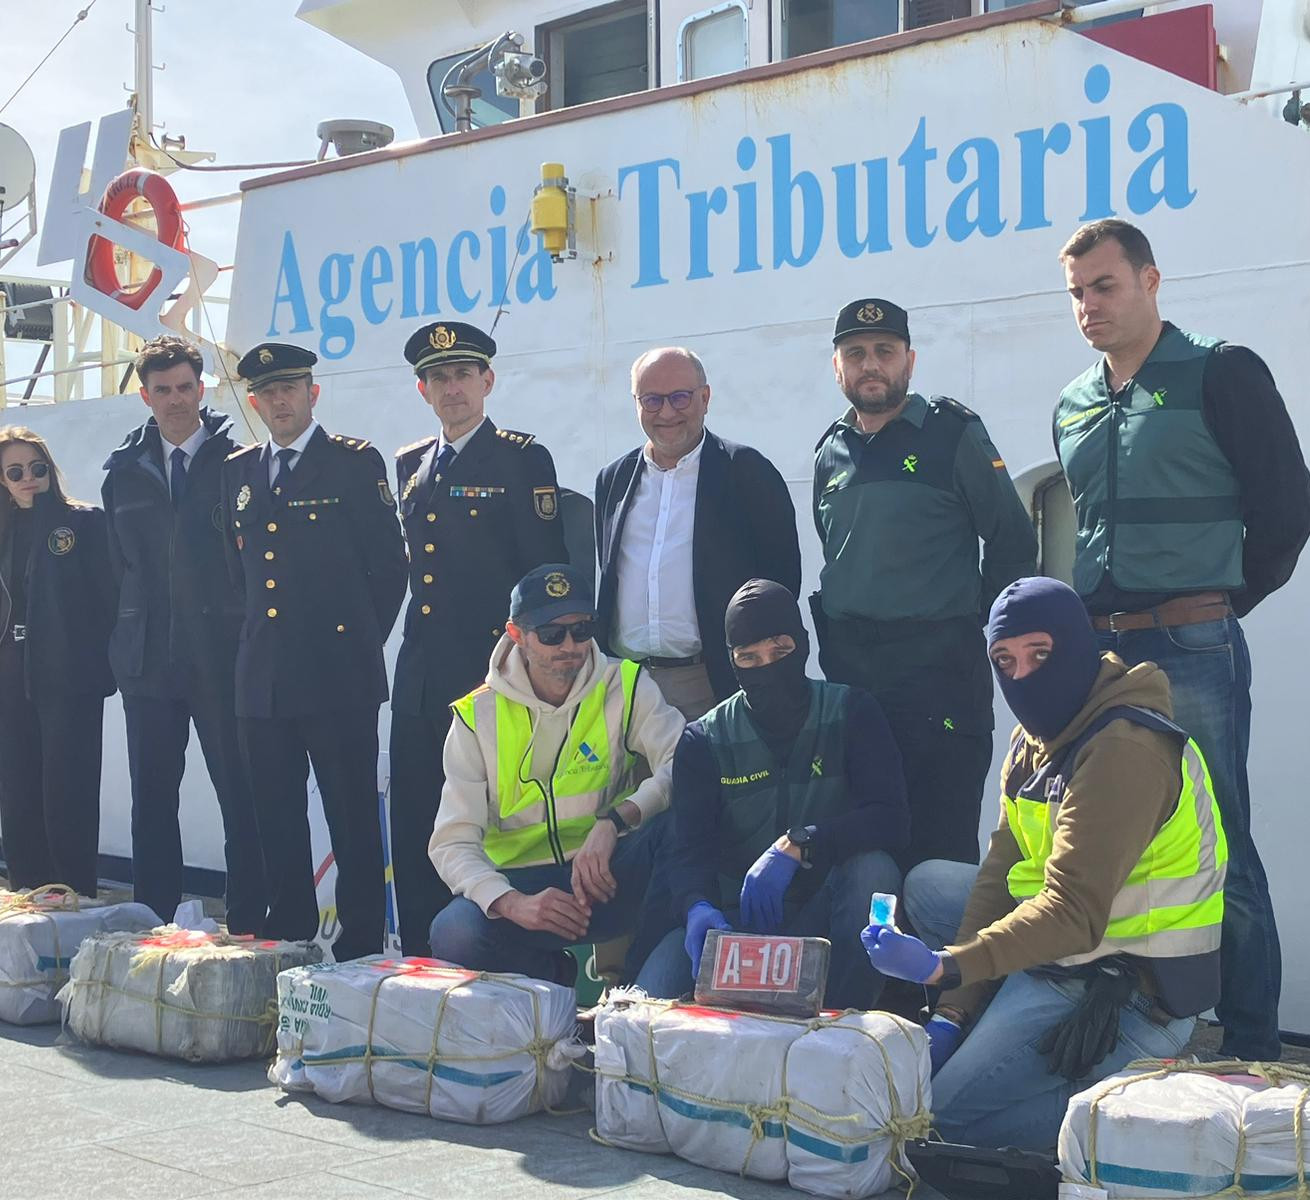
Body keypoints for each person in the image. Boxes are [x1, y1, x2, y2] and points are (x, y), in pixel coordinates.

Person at [1054, 218, 1310, 1062]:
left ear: (1150, 280)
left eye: (1106, 286)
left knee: (1220, 848)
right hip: (1103, 659)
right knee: (1111, 845)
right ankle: (1135, 1037)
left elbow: (1287, 510)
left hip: (1192, 647)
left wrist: (1219, 607)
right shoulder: (1075, 402)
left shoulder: (1221, 371)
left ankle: (1251, 1049)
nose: (1090, 305)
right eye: (1077, 293)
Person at [864, 577, 1226, 1152]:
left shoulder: (1125, 747)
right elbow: (997, 873)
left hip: (1127, 980)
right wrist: (951, 1016)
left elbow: (1073, 912)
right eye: (1004, 662)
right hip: (1061, 950)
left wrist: (944, 970)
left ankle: (1134, 1105)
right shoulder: (1034, 738)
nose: (1022, 676)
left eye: (1041, 654)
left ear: (1078, 647)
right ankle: (998, 1029)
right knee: (931, 884)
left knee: (932, 1126)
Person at [811, 298, 1038, 868]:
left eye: (884, 352)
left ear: (909, 361)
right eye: (855, 354)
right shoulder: (829, 452)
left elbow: (1012, 539)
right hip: (855, 685)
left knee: (938, 855)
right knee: (866, 849)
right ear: (836, 367)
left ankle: (943, 962)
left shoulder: (951, 433)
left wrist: (972, 623)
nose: (870, 365)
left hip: (938, 682)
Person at [637, 579, 907, 1010]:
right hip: (731, 925)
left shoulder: (851, 711)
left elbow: (891, 818)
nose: (767, 667)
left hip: (822, 916)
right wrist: (697, 907)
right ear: (732, 662)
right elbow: (686, 850)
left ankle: (843, 1017)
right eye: (749, 657)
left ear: (801, 645)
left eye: (780, 651)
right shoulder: (704, 740)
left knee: (873, 871)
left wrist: (803, 843)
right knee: (644, 1013)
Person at [222, 342, 406, 960]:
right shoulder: (240, 471)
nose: (280, 400)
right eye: (269, 392)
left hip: (338, 678)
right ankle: (291, 934)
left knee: (351, 818)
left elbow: (389, 570)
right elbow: (235, 574)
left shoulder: (352, 463)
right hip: (263, 678)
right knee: (275, 815)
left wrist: (354, 643)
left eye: (291, 388)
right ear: (255, 401)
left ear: (312, 393)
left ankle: (359, 943)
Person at [389, 320, 568, 957]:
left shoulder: (521, 459)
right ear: (423, 390)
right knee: (414, 825)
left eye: (463, 374)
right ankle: (416, 963)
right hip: (421, 677)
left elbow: (545, 576)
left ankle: (481, 965)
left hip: (487, 677)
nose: (452, 387)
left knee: (487, 831)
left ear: (487, 381)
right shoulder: (412, 463)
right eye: (439, 377)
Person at [427, 564, 686, 983]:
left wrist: (616, 821)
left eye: (582, 630)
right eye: (552, 634)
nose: (570, 645)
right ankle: (554, 983)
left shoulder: (625, 682)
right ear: (517, 635)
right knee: (453, 932)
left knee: (680, 831)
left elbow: (684, 764)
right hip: (524, 888)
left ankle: (634, 995)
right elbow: (451, 843)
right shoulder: (477, 715)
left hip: (605, 873)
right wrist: (512, 903)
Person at [101, 335, 265, 931]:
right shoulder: (123, 472)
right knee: (151, 803)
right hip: (148, 662)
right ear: (145, 396)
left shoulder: (241, 464)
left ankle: (249, 923)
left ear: (203, 388)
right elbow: (117, 571)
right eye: (162, 390)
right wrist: (122, 647)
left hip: (222, 660)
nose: (175, 400)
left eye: (185, 387)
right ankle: (153, 925)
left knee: (239, 796)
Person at [595, 348, 800, 721]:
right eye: (652, 400)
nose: (667, 412)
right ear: (636, 403)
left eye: (680, 397)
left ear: (705, 398)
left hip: (713, 683)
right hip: (625, 688)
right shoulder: (613, 480)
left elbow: (782, 582)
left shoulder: (746, 472)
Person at [0, 427, 115, 896]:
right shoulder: (2, 531)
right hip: (10, 672)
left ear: (50, 470)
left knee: (67, 793)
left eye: (37, 468)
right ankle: (26, 894)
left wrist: (96, 667)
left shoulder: (85, 523)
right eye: (16, 472)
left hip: (66, 676)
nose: (29, 478)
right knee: (19, 791)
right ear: (2, 481)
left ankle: (73, 893)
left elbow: (107, 599)